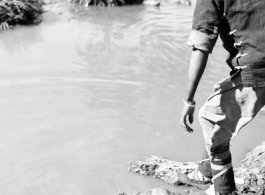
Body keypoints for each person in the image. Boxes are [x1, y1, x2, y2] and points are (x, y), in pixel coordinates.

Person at [179, 0, 265, 194]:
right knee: (221, 106)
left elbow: (201, 45)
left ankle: (224, 189)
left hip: (258, 68)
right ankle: (205, 170)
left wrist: (189, 100)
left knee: (210, 118)